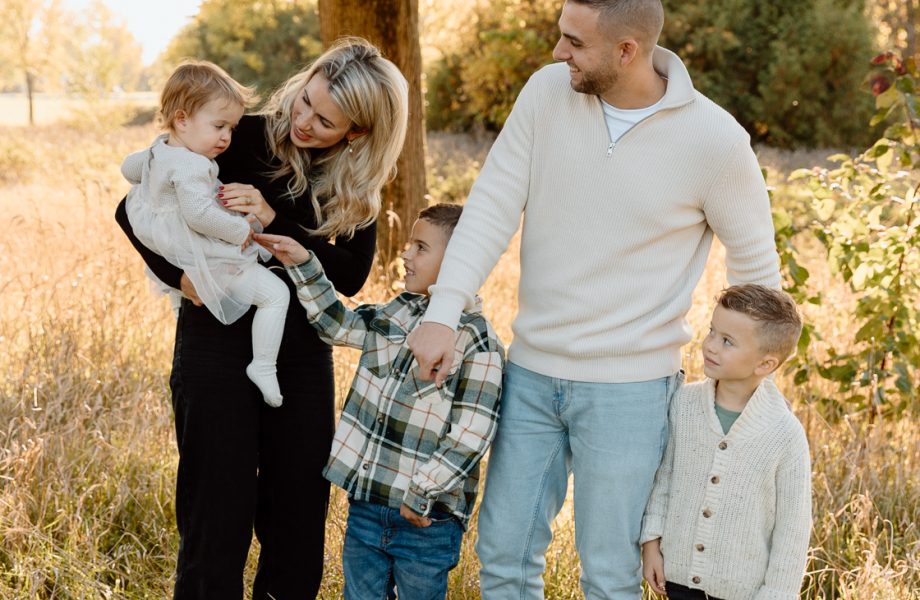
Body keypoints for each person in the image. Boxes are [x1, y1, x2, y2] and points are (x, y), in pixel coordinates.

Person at [407, 0, 782, 598]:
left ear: (626, 50)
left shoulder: (715, 141)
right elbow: (491, 207)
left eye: (574, 42)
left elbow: (759, 278)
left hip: (631, 394)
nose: (559, 53)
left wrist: (743, 395)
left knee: (609, 576)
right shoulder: (546, 93)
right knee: (503, 557)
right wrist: (442, 313)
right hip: (531, 376)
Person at [114, 37, 409, 599]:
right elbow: (131, 208)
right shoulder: (236, 134)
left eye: (325, 120)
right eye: (305, 102)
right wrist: (180, 280)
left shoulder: (355, 182)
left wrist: (277, 219)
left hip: (300, 358)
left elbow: (348, 277)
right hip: (214, 347)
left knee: (297, 519)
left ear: (358, 132)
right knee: (215, 516)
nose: (303, 120)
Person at [255, 202, 504, 600]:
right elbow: (336, 324)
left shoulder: (479, 343)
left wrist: (423, 491)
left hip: (425, 520)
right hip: (368, 506)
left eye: (421, 247)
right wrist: (303, 262)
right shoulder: (397, 312)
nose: (405, 254)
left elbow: (472, 434)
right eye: (410, 244)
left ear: (460, 263)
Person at [122, 60, 289, 407]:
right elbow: (198, 214)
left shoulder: (160, 148)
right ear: (182, 119)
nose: (227, 137)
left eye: (231, 127)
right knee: (275, 295)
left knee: (182, 300)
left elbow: (128, 168)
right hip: (201, 250)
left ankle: (177, 306)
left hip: (166, 245)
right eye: (219, 126)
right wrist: (237, 230)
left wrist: (152, 171)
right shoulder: (191, 164)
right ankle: (263, 365)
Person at [641, 284, 811, 600]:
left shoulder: (784, 434)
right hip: (678, 580)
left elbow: (793, 528)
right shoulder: (683, 404)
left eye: (728, 342)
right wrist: (651, 543)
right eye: (712, 332)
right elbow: (663, 479)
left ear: (765, 364)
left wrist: (776, 594)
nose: (711, 346)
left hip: (742, 591)